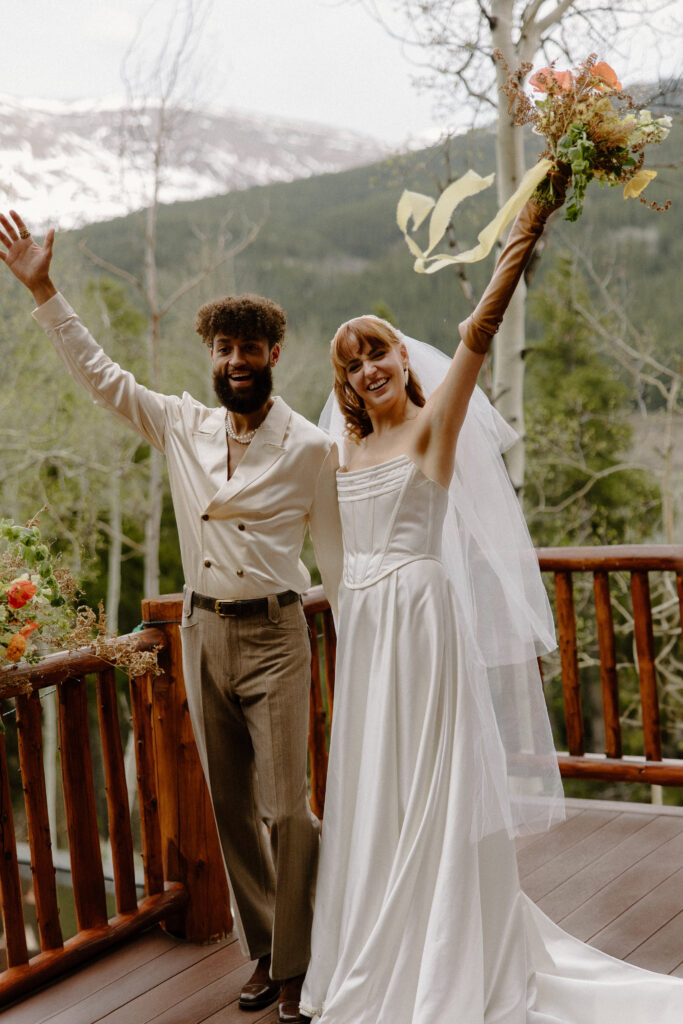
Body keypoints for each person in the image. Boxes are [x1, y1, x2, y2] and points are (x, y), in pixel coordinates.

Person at [299, 182, 683, 1022]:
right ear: (347, 384)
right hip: (365, 631)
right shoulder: (340, 453)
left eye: (380, 352)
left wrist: (527, 224)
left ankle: (445, 958)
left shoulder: (434, 426)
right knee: (375, 789)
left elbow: (478, 330)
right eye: (353, 363)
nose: (368, 369)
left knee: (432, 785)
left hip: (422, 622)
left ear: (404, 358)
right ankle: (379, 942)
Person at [0, 210, 342, 1024]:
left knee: (286, 809)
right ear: (212, 357)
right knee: (230, 807)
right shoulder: (183, 425)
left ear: (272, 357)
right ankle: (263, 953)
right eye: (223, 349)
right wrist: (44, 289)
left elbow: (339, 556)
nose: (234, 362)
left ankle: (299, 965)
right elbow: (102, 377)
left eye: (248, 349)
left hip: (277, 632)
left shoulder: (308, 449)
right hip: (202, 630)